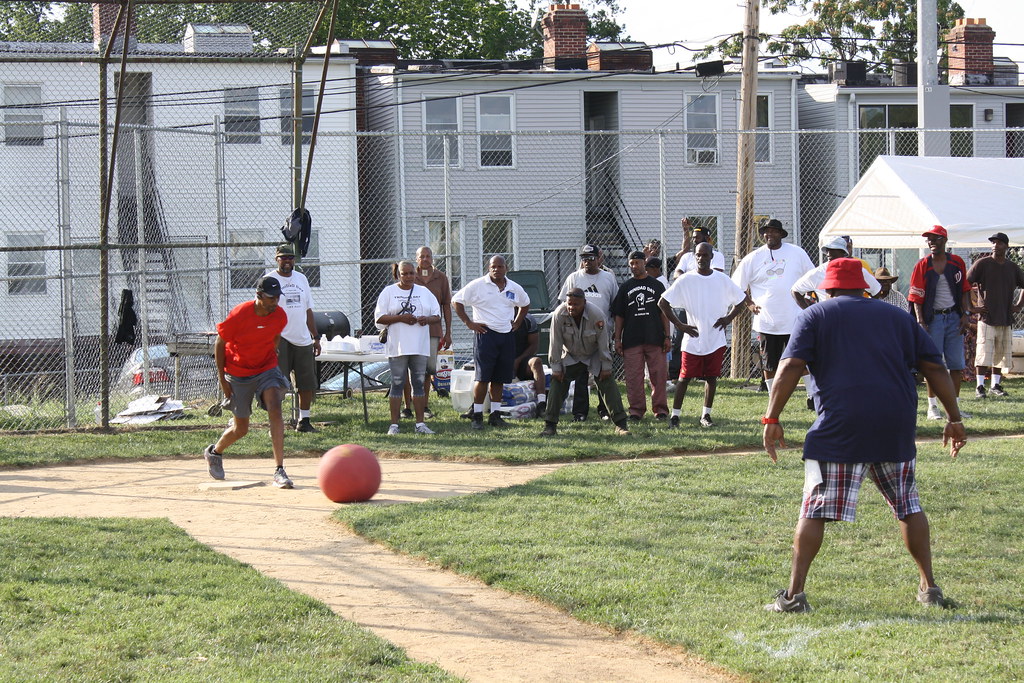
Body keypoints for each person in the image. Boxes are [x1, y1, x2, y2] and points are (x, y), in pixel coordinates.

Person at [762, 258, 967, 613]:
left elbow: (790, 365)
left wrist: (772, 417)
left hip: (840, 426)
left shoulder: (815, 315)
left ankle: (794, 596)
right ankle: (929, 587)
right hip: (894, 422)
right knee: (908, 505)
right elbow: (935, 366)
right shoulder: (898, 316)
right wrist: (954, 417)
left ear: (827, 287)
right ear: (865, 286)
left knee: (814, 509)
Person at [205, 276, 293, 489]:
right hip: (238, 372)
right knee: (241, 428)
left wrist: (270, 354)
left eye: (277, 298)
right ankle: (215, 453)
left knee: (275, 406)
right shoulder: (240, 314)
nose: (275, 302)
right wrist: (222, 380)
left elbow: (275, 336)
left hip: (266, 368)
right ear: (259, 295)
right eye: (271, 298)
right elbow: (220, 342)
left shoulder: (279, 315)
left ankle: (279, 470)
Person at [658, 242, 747, 428]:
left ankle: (706, 416)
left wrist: (728, 319)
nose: (701, 258)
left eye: (705, 255)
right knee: (684, 378)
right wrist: (680, 325)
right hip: (693, 339)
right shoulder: (686, 279)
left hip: (715, 339)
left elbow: (741, 300)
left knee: (711, 378)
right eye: (698, 255)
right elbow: (663, 303)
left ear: (711, 257)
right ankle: (675, 417)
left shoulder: (721, 279)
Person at [732, 218, 815, 392]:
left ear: (781, 234)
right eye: (766, 232)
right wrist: (749, 304)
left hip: (795, 318)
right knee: (769, 364)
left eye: (773, 231)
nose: (769, 235)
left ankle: (810, 396)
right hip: (767, 321)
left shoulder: (797, 253)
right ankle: (772, 395)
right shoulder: (753, 258)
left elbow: (812, 277)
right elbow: (736, 286)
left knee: (801, 359)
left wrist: (809, 297)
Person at [452, 255, 531, 430]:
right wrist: (469, 323)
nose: (496, 269)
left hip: (506, 335)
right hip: (486, 335)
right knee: (483, 377)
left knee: (500, 378)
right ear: (488, 268)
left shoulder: (513, 287)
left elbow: (525, 304)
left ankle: (495, 415)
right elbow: (456, 301)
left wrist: (517, 322)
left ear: (506, 268)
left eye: (500, 266)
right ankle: (477, 415)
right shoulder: (478, 285)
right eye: (493, 267)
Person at [540, 288, 630, 436]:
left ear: (584, 303)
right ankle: (550, 426)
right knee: (557, 382)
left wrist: (606, 366)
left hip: (594, 354)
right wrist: (556, 367)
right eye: (569, 304)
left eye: (576, 304)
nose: (571, 307)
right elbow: (554, 343)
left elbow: (603, 343)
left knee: (608, 383)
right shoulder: (558, 315)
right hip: (570, 355)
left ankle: (621, 425)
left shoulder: (597, 315)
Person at [907, 225, 972, 420]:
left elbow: (965, 290)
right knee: (933, 364)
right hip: (933, 318)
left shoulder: (957, 262)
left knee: (956, 364)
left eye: (935, 239)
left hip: (954, 318)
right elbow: (915, 296)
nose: (931, 242)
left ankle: (955, 407)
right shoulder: (922, 265)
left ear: (944, 240)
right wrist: (920, 321)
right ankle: (932, 407)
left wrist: (966, 314)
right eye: (929, 239)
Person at [375, 260, 441, 435]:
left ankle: (420, 424)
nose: (409, 277)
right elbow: (380, 318)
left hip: (419, 346)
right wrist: (401, 318)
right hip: (397, 346)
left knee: (418, 383)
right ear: (398, 274)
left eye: (412, 273)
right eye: (404, 274)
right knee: (397, 383)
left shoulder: (424, 292)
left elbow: (437, 315)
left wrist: (425, 319)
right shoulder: (389, 292)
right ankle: (394, 425)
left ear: (416, 274)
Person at [558, 244, 618, 421]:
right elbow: (563, 305)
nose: (587, 262)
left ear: (598, 258)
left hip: (601, 333)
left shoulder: (608, 278)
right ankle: (580, 412)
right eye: (584, 258)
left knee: (602, 372)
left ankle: (604, 410)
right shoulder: (574, 277)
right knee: (580, 374)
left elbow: (614, 305)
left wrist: (614, 330)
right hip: (577, 334)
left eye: (591, 258)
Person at [265, 243, 321, 433]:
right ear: (277, 259)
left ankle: (304, 421)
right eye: (283, 258)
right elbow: (262, 311)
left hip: (302, 338)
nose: (287, 261)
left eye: (290, 258)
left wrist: (316, 336)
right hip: (279, 338)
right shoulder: (269, 279)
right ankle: (276, 421)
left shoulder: (302, 279)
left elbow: (308, 309)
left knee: (306, 382)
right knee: (278, 382)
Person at [612, 250, 670, 421]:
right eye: (631, 263)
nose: (634, 266)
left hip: (655, 338)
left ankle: (660, 410)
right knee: (633, 378)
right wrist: (617, 339)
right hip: (632, 340)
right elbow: (619, 316)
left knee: (658, 376)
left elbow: (664, 312)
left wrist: (667, 336)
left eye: (637, 263)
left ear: (644, 262)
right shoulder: (625, 287)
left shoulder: (657, 285)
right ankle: (636, 411)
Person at [967, 232, 1024, 398]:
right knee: (983, 353)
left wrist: (1019, 305)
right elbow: (965, 284)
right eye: (993, 242)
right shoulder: (982, 264)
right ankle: (979, 387)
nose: (995, 245)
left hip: (1006, 317)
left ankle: (995, 385)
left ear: (1006, 246)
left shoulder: (1012, 267)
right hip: (986, 317)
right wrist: (972, 307)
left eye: (999, 242)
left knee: (1001, 354)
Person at [401, 246, 452, 419]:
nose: (425, 259)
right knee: (408, 368)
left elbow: (446, 305)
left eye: (428, 256)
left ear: (432, 258)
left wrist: (448, 332)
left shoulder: (441, 278)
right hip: (410, 330)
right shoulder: (409, 275)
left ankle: (423, 406)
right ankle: (407, 407)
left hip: (433, 329)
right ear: (416, 259)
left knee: (427, 369)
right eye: (421, 256)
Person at [791, 237, 880, 309]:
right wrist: (810, 312)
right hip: (829, 318)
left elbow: (876, 291)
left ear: (843, 253)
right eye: (827, 250)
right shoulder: (818, 273)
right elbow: (795, 290)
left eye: (834, 249)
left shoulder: (858, 270)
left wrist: (868, 310)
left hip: (854, 317)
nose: (829, 253)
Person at [512, 313, 548, 416]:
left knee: (536, 361)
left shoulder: (528, 319)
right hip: (503, 360)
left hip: (522, 359)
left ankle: (541, 403)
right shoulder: (497, 317)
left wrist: (518, 360)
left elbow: (534, 345)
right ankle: (477, 406)